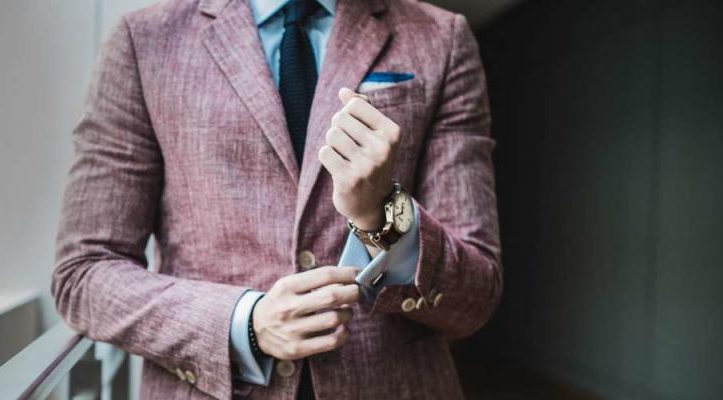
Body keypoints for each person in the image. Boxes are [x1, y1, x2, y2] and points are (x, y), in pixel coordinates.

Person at [52, 0, 501, 398]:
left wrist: (381, 213)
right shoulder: (145, 40)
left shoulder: (441, 37)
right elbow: (85, 273)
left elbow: (476, 297)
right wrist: (245, 322)